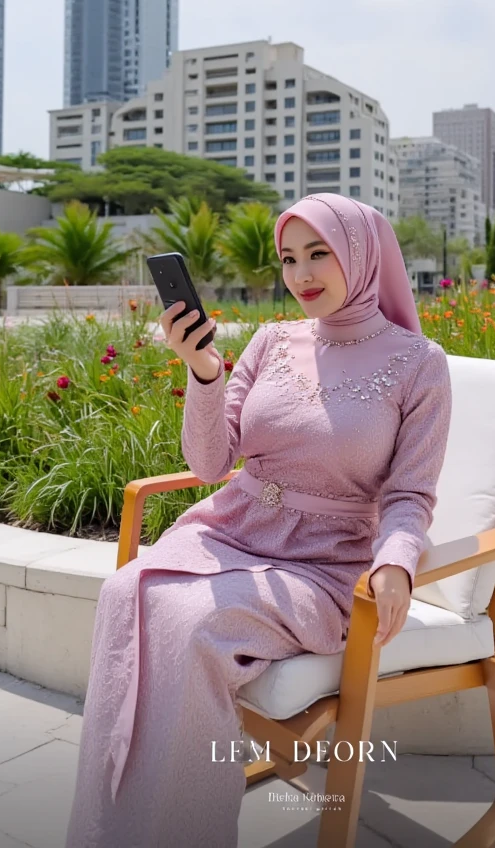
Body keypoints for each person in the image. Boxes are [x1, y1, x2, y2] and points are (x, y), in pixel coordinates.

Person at [65, 192, 452, 847]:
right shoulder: (272, 341)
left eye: (319, 253)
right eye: (288, 258)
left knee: (195, 626)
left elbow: (412, 494)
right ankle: (113, 823)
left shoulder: (419, 364)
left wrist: (396, 563)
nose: (301, 274)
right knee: (123, 589)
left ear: (360, 256)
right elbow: (211, 462)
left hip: (326, 563)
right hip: (233, 528)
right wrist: (204, 371)